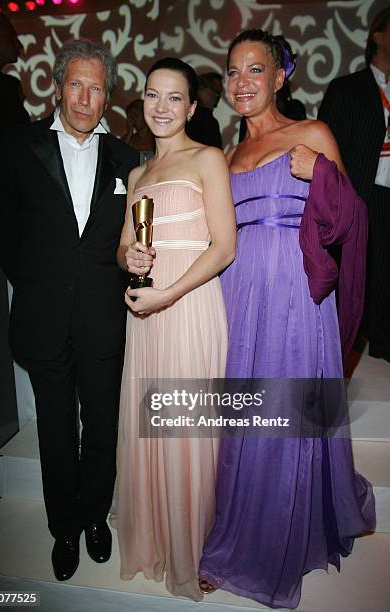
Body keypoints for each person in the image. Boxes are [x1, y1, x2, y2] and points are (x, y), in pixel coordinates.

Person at [198, 29, 375, 609]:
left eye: (255, 70)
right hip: (238, 293)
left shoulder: (313, 134)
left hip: (297, 297)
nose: (241, 82)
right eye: (232, 71)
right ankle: (238, 527)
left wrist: (320, 176)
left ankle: (278, 538)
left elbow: (354, 222)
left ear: (279, 78)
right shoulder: (224, 157)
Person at [0, 38, 139, 582]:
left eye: (96, 87)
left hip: (103, 321)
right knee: (54, 429)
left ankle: (96, 517)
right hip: (44, 317)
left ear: (108, 96)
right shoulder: (19, 146)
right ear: (57, 85)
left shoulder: (127, 158)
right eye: (76, 84)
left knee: (101, 425)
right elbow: (2, 229)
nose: (84, 97)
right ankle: (65, 528)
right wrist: (36, 285)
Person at [113, 57, 236, 600]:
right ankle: (162, 533)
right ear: (142, 102)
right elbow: (122, 247)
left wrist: (168, 291)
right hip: (145, 314)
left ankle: (199, 547)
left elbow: (225, 247)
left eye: (173, 98)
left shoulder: (208, 159)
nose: (161, 107)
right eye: (152, 96)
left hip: (188, 304)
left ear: (191, 106)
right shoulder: (138, 174)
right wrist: (130, 258)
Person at [318, 7, 390, 362]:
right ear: (377, 35)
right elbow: (325, 154)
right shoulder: (347, 88)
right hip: (360, 198)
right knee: (358, 279)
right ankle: (344, 351)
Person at [185, 72, 223, 147]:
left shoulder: (181, 113)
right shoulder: (208, 120)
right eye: (217, 93)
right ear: (206, 90)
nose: (217, 99)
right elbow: (214, 155)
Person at [121, 98, 155, 163]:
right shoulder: (128, 139)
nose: (133, 120)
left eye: (136, 116)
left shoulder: (156, 137)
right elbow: (119, 156)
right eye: (131, 117)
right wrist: (129, 133)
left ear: (145, 115)